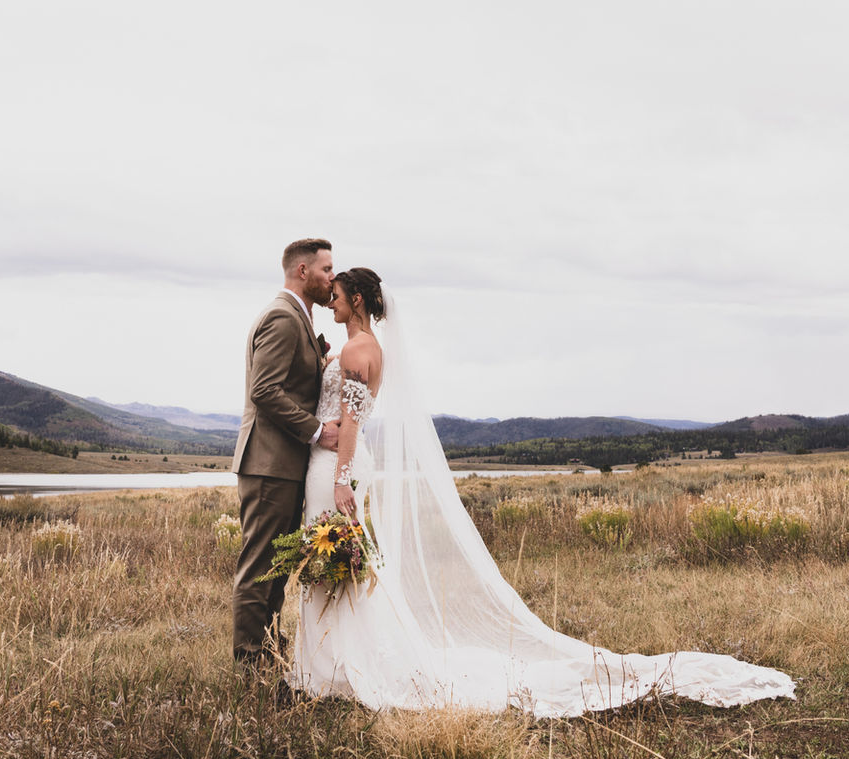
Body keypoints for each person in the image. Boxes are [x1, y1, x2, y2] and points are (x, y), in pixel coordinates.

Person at [289, 268, 796, 717]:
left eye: (336, 295)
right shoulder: (362, 348)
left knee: (336, 557)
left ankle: (339, 664)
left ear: (357, 299)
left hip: (337, 466)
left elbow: (350, 421)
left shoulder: (358, 350)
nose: (330, 301)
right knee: (338, 559)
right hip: (340, 463)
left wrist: (341, 478)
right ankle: (334, 660)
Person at [231, 237, 343, 669]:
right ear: (302, 271)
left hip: (283, 466)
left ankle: (269, 655)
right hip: (268, 465)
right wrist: (317, 431)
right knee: (260, 567)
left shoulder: (299, 317)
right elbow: (264, 390)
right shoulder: (282, 316)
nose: (332, 277)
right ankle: (249, 666)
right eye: (326, 269)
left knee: (276, 569)